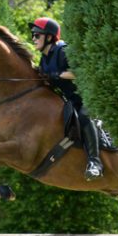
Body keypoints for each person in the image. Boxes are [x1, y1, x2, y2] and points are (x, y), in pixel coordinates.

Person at [29, 16, 104, 180]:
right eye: (32, 35)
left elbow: (79, 71)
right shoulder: (44, 58)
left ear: (49, 37)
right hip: (68, 100)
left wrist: (56, 75)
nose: (33, 38)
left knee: (84, 116)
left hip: (85, 97)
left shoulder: (63, 51)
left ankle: (95, 162)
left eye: (37, 35)